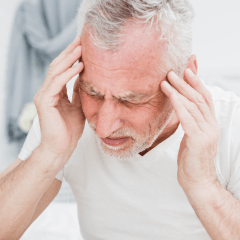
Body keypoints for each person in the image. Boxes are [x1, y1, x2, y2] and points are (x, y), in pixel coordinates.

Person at [1, 0, 240, 239]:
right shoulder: (67, 110)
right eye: (92, 92)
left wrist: (205, 186)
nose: (104, 127)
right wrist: (49, 153)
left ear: (186, 77)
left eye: (131, 101)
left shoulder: (232, 125)